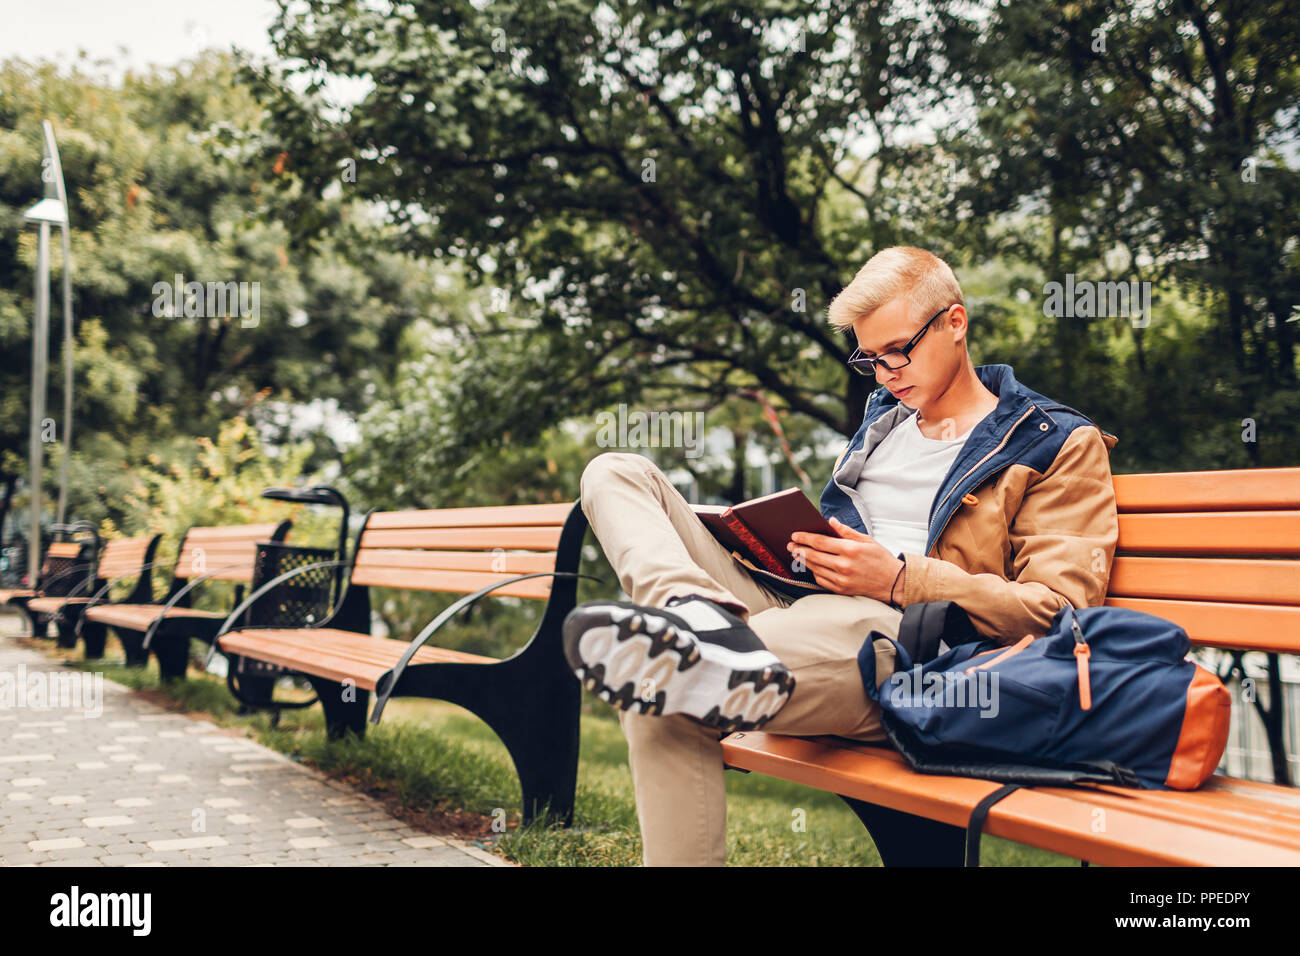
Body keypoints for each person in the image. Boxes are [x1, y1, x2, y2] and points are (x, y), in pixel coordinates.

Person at [564, 246, 1120, 866]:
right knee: (614, 471)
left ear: (955, 323)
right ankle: (690, 607)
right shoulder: (883, 423)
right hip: (804, 600)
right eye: (871, 359)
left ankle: (702, 643)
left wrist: (903, 578)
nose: (886, 373)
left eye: (899, 350)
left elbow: (1064, 614)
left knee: (658, 678)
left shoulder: (1054, 443)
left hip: (911, 641)